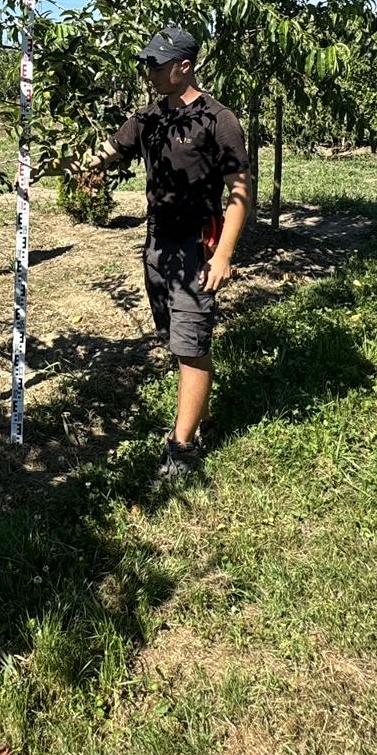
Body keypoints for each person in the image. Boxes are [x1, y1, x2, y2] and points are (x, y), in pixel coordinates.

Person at [78, 25, 251, 485]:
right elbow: (112, 149)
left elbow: (238, 191)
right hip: (157, 245)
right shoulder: (150, 118)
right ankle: (199, 418)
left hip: (197, 245)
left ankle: (181, 450)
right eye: (147, 62)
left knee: (191, 348)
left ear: (184, 66)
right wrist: (82, 167)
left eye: (156, 63)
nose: (148, 70)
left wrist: (224, 255)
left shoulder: (218, 120)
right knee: (177, 341)